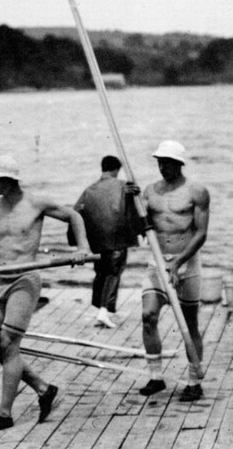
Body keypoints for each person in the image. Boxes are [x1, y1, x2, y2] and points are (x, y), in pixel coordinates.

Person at [0, 156, 90, 432]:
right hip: (1, 280)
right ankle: (43, 388)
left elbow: (73, 216)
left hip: (25, 280)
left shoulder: (36, 203)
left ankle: (4, 413)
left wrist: (81, 248)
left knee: (9, 343)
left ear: (8, 180)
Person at [137, 140, 210, 402]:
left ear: (179, 164)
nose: (162, 167)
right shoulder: (149, 191)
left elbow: (201, 233)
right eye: (160, 162)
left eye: (167, 163)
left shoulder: (196, 191)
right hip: (157, 262)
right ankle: (155, 377)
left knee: (189, 323)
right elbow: (138, 227)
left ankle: (194, 381)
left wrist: (179, 261)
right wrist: (131, 202)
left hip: (186, 262)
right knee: (148, 315)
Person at [74, 155, 137, 328]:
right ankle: (103, 310)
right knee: (113, 272)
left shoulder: (89, 190)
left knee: (101, 272)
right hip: (117, 237)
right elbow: (133, 208)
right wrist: (140, 230)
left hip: (97, 239)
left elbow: (76, 213)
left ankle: (100, 308)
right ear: (117, 169)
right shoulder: (124, 186)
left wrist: (76, 241)